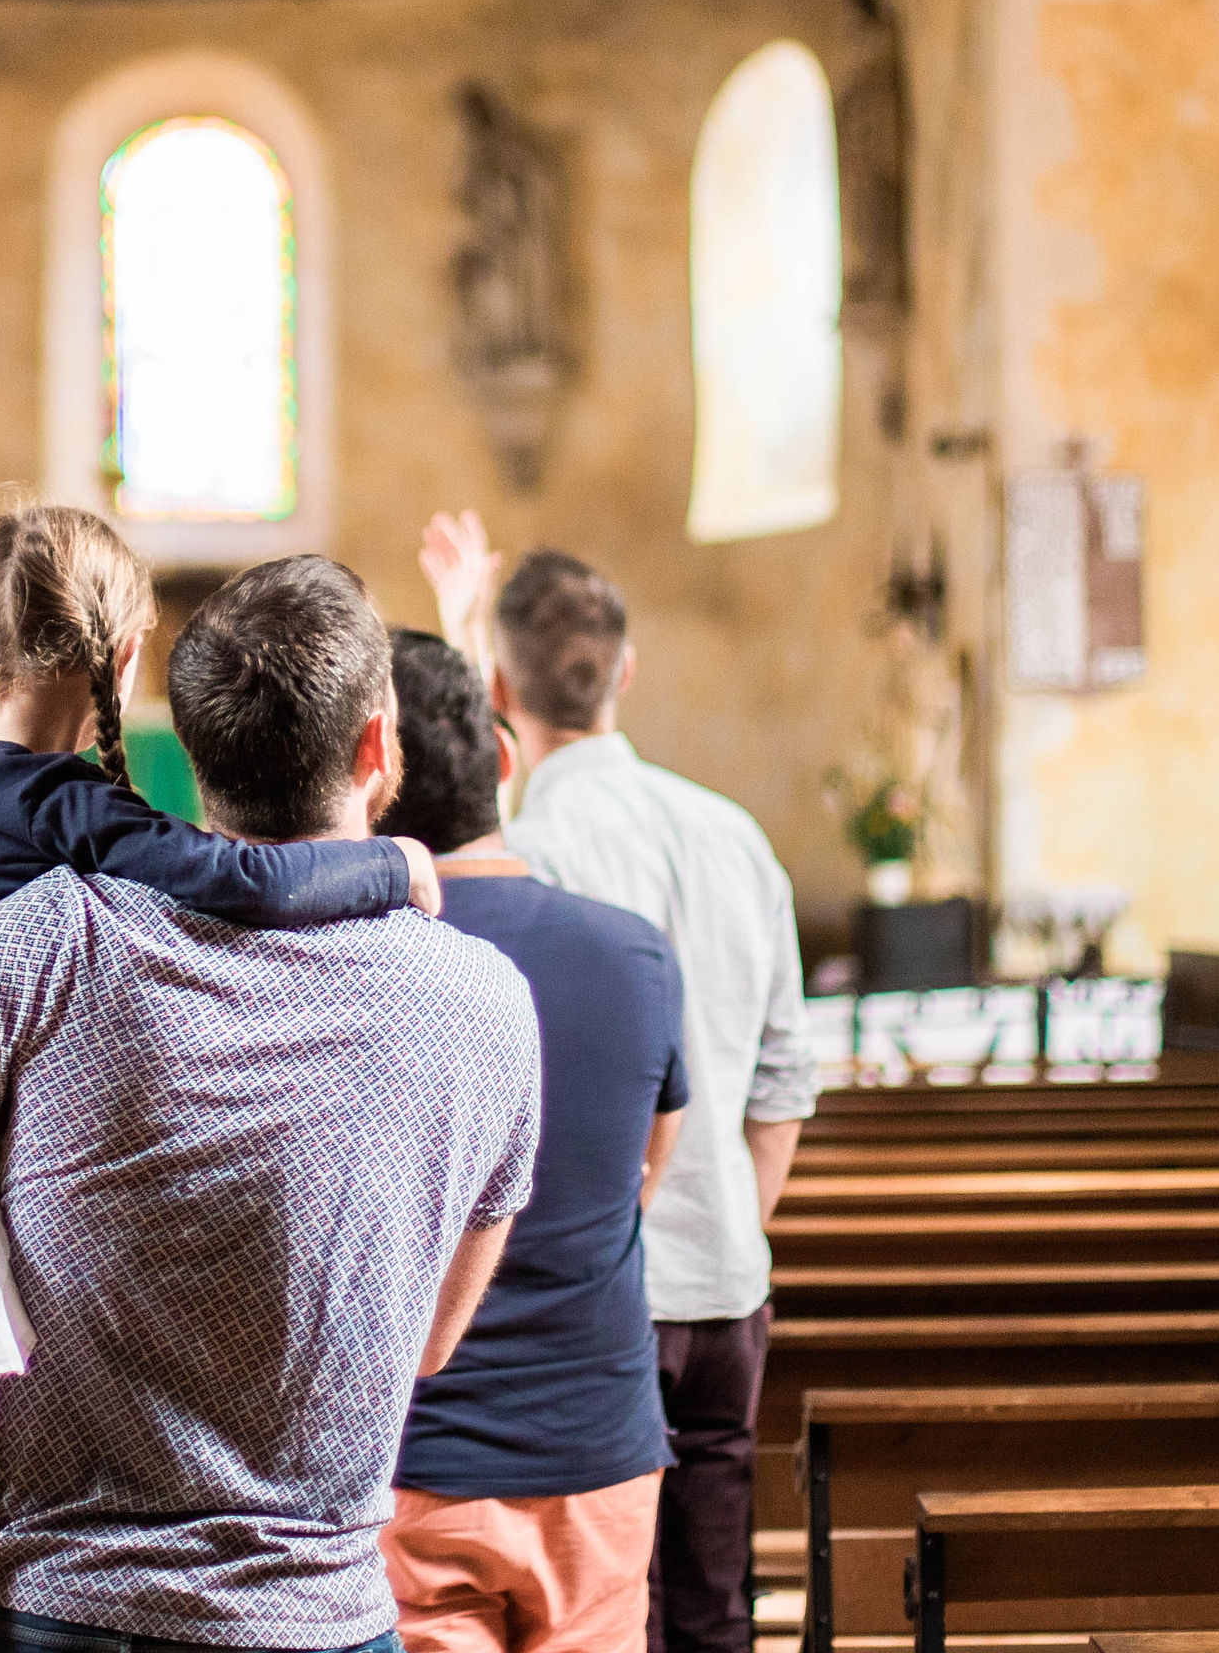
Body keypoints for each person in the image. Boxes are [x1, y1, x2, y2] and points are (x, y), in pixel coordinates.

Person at [0, 554, 543, 1653]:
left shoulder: (59, 935)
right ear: (377, 748)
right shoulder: (488, 1005)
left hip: (51, 1610)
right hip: (311, 1620)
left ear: (195, 753)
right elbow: (426, 1342)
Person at [421, 516, 815, 1653]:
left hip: (605, 1310)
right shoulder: (735, 835)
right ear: (626, 672)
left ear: (499, 684)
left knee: (613, 1611)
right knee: (712, 1603)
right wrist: (729, 1223)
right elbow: (785, 1077)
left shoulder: (533, 853)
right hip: (730, 1285)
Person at [380, 630, 691, 1653]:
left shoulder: (364, 971)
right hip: (594, 1445)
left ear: (369, 779)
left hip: (418, 1460)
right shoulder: (634, 954)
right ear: (505, 759)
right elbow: (645, 1173)